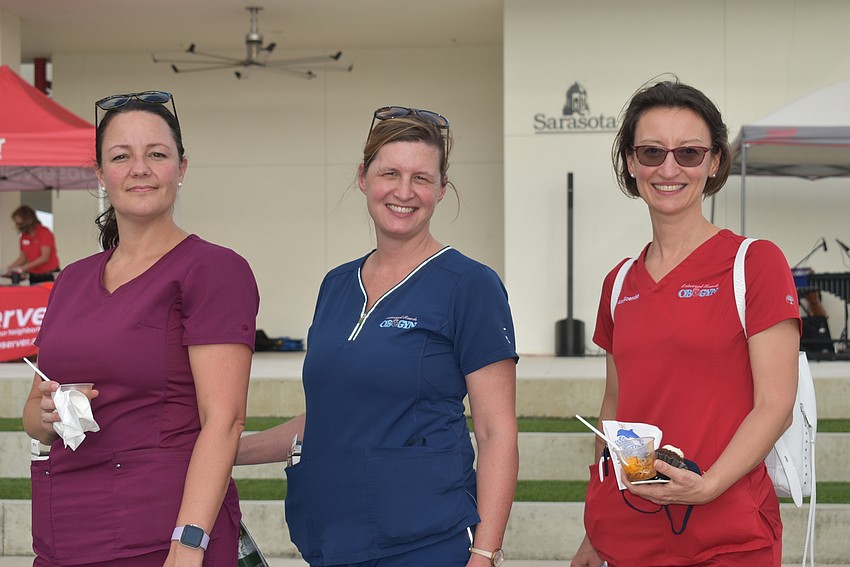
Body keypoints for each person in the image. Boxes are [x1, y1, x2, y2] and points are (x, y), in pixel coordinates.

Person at [237, 106, 519, 566]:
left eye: (421, 178)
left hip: (426, 542)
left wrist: (485, 553)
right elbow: (329, 419)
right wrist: (224, 452)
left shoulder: (470, 285)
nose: (404, 191)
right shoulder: (336, 285)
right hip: (331, 540)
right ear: (363, 178)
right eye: (390, 173)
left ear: (441, 189)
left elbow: (496, 432)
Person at [22, 91, 259, 567]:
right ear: (99, 174)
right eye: (120, 156)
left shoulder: (212, 270)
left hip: (161, 534)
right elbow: (33, 414)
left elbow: (225, 420)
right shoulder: (71, 280)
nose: (140, 169)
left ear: (181, 168)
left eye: (157, 154)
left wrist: (189, 543)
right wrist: (47, 415)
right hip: (63, 530)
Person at [571, 80, 801, 567]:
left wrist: (708, 485)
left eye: (689, 152)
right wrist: (596, 529)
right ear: (631, 163)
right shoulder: (618, 282)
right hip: (632, 532)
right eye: (652, 152)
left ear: (714, 162)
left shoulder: (754, 263)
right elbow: (615, 406)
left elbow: (776, 405)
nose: (669, 169)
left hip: (728, 534)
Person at [7, 205, 60, 284]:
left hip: (49, 275)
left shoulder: (44, 232)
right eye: (17, 223)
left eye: (20, 223)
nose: (18, 226)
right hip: (33, 276)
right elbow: (23, 258)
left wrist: (23, 268)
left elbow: (44, 257)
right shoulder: (24, 236)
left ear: (27, 221)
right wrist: (12, 267)